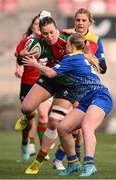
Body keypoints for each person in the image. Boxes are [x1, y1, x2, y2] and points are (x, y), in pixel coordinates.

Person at [22, 32, 113, 177]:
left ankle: (89, 164)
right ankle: (73, 163)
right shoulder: (80, 56)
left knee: (87, 127)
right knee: (63, 128)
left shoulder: (71, 58)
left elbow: (50, 73)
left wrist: (35, 64)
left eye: (66, 44)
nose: (65, 46)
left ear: (70, 45)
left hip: (100, 97)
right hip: (86, 100)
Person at [53, 7, 107, 168]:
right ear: (74, 21)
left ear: (90, 22)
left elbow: (103, 69)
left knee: (78, 128)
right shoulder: (64, 36)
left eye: (84, 20)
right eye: (78, 20)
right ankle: (65, 157)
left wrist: (89, 56)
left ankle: (63, 158)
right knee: (56, 123)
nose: (80, 23)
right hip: (64, 84)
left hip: (82, 89)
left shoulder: (95, 40)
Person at [14, 11, 52, 161]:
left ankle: (43, 148)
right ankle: (26, 142)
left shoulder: (49, 40)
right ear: (32, 26)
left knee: (43, 114)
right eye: (36, 23)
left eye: (41, 23)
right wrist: (19, 64)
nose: (39, 26)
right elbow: (18, 55)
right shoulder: (28, 41)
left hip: (44, 83)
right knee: (29, 115)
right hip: (28, 82)